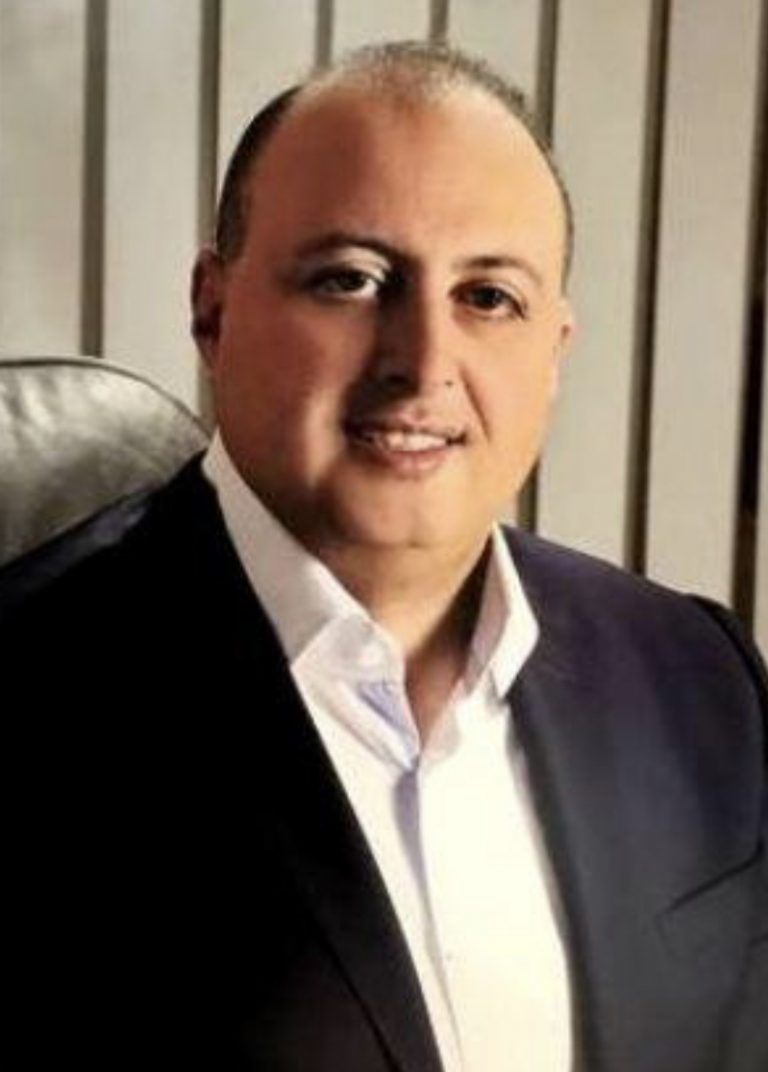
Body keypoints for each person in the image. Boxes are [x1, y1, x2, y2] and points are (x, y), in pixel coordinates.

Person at [3, 41, 766, 1072]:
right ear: (213, 310)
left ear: (555, 350)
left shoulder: (701, 676)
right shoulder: (29, 692)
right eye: (352, 281)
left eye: (488, 298)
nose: (424, 363)